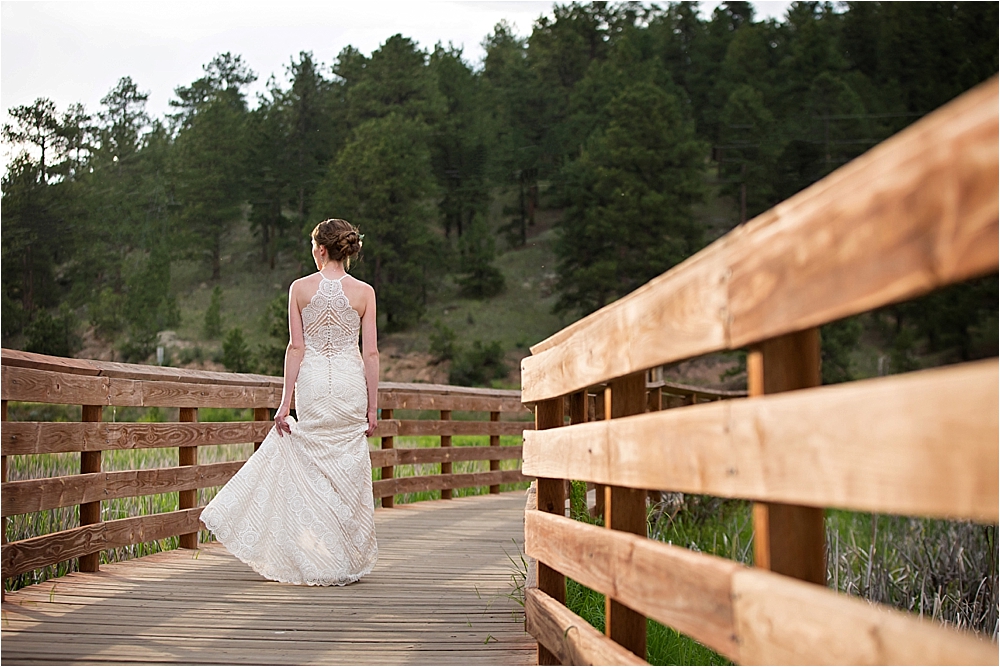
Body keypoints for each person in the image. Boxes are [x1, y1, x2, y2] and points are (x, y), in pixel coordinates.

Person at [201, 218, 379, 586]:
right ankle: (342, 556)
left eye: (313, 247)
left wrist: (285, 404)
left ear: (321, 249)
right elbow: (372, 353)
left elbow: (296, 347)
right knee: (347, 466)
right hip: (348, 382)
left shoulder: (299, 288)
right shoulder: (365, 292)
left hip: (313, 383)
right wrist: (373, 406)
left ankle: (319, 557)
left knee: (312, 466)